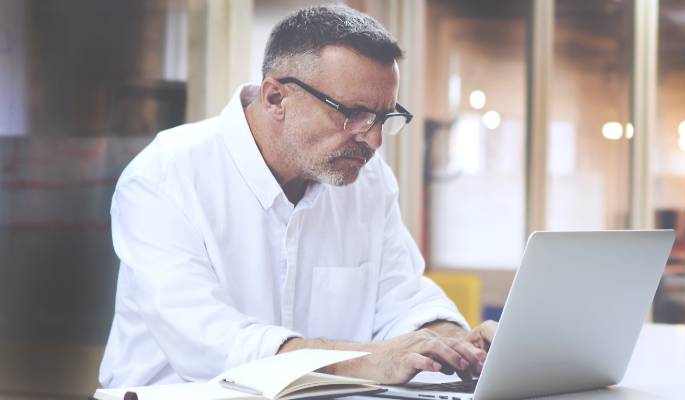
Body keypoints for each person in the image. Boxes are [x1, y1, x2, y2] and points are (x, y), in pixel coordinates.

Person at [99, 4, 497, 388]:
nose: (373, 140)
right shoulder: (164, 177)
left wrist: (454, 343)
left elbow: (401, 298)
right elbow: (207, 341)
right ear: (275, 98)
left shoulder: (368, 179)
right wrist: (363, 361)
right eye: (354, 114)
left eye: (384, 118)